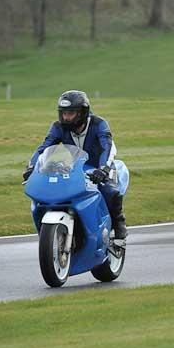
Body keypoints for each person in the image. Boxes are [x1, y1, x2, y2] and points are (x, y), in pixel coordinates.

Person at [23, 90, 128, 240]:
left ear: (82, 113)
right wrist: (32, 166)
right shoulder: (58, 127)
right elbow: (44, 147)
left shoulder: (98, 124)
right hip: (75, 167)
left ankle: (119, 227)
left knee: (110, 190)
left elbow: (107, 147)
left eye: (70, 113)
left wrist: (104, 169)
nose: (66, 117)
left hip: (100, 165)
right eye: (64, 113)